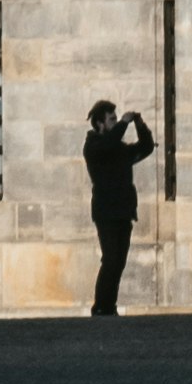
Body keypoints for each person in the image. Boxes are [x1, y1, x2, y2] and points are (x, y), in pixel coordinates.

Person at [83, 100, 158, 316]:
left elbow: (145, 148)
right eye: (112, 119)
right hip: (106, 211)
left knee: (119, 261)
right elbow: (107, 144)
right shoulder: (94, 146)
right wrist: (123, 124)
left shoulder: (118, 149)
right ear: (99, 124)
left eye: (116, 119)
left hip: (123, 210)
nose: (116, 123)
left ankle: (109, 305)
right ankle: (100, 306)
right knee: (110, 258)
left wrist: (140, 125)